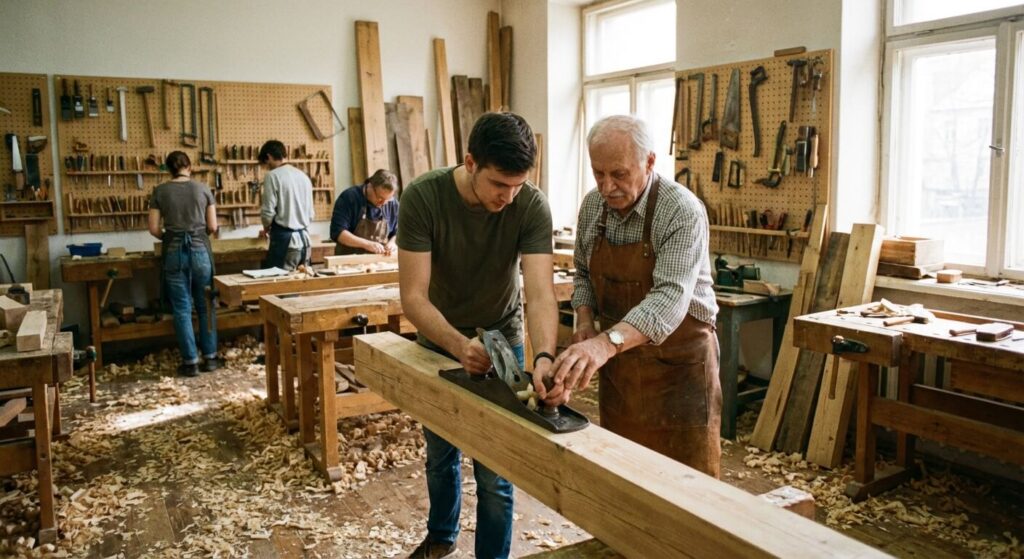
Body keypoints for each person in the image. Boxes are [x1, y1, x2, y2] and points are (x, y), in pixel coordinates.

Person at [397, 112, 559, 559]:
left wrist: (544, 355)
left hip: (503, 338)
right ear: (470, 163)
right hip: (439, 337)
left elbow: (542, 294)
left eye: (517, 186)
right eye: (499, 186)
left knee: (496, 468)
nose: (508, 197)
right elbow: (413, 298)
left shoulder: (531, 204)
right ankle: (441, 536)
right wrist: (456, 345)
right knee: (441, 453)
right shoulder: (423, 198)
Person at [540, 115, 722, 478]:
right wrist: (586, 323)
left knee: (690, 486)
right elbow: (583, 274)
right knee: (625, 475)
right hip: (621, 367)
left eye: (619, 174)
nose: (607, 187)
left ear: (650, 162)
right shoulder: (593, 206)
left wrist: (604, 344)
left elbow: (668, 300)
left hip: (679, 366)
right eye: (598, 173)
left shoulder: (681, 211)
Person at [148, 151, 223, 377]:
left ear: (169, 169)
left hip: (173, 252)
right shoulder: (203, 189)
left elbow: (153, 229)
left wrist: (170, 238)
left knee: (181, 307)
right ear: (189, 167)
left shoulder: (160, 191)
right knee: (205, 305)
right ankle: (210, 358)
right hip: (200, 249)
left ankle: (190, 362)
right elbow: (212, 226)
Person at [258, 140, 313, 270]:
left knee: (280, 287)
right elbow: (311, 214)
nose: (267, 167)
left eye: (266, 163)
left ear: (269, 156)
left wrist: (266, 226)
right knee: (301, 282)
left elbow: (268, 212)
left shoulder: (272, 176)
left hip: (285, 244)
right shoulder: (303, 176)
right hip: (305, 242)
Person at [329, 168, 399, 255]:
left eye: (387, 199)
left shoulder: (393, 204)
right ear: (370, 186)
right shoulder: (349, 198)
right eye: (380, 198)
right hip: (349, 261)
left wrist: (393, 243)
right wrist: (367, 244)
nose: (383, 203)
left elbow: (398, 232)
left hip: (379, 262)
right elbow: (338, 233)